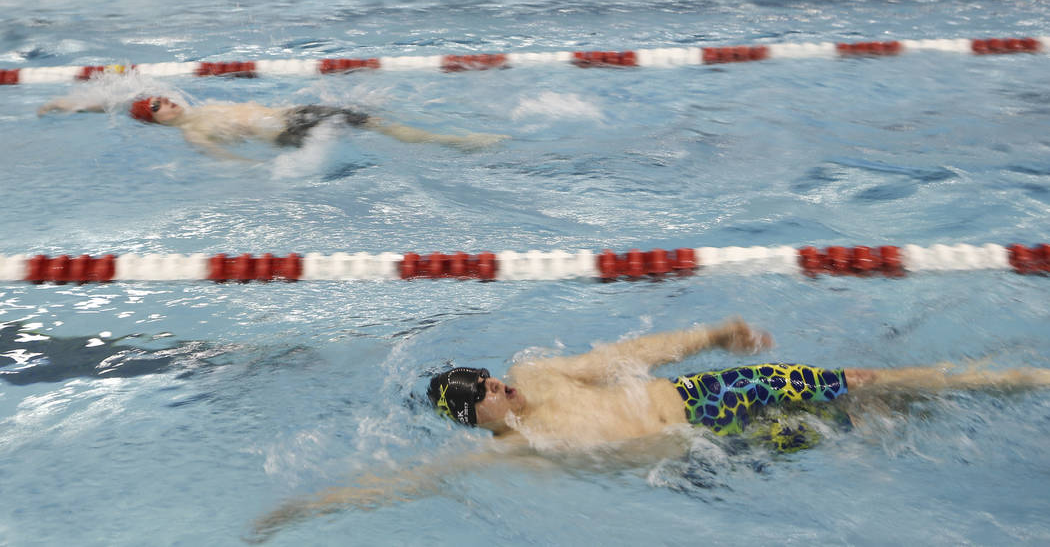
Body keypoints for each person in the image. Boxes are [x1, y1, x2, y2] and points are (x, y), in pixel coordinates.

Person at [251, 317, 1050, 538]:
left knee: (865, 384)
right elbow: (409, 483)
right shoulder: (519, 457)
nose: (497, 383)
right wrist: (302, 512)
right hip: (712, 455)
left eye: (487, 374)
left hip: (707, 398)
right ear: (476, 419)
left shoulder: (539, 376)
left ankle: (1014, 379)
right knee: (865, 424)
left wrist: (709, 335)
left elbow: (630, 351)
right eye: (482, 391)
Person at [38, 94, 506, 160]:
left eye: (163, 98)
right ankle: (454, 143)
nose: (167, 102)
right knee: (378, 125)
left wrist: (68, 105)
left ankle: (449, 140)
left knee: (376, 119)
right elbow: (231, 161)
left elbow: (121, 97)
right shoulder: (192, 132)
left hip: (295, 113)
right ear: (157, 122)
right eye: (157, 107)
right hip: (290, 133)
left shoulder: (201, 104)